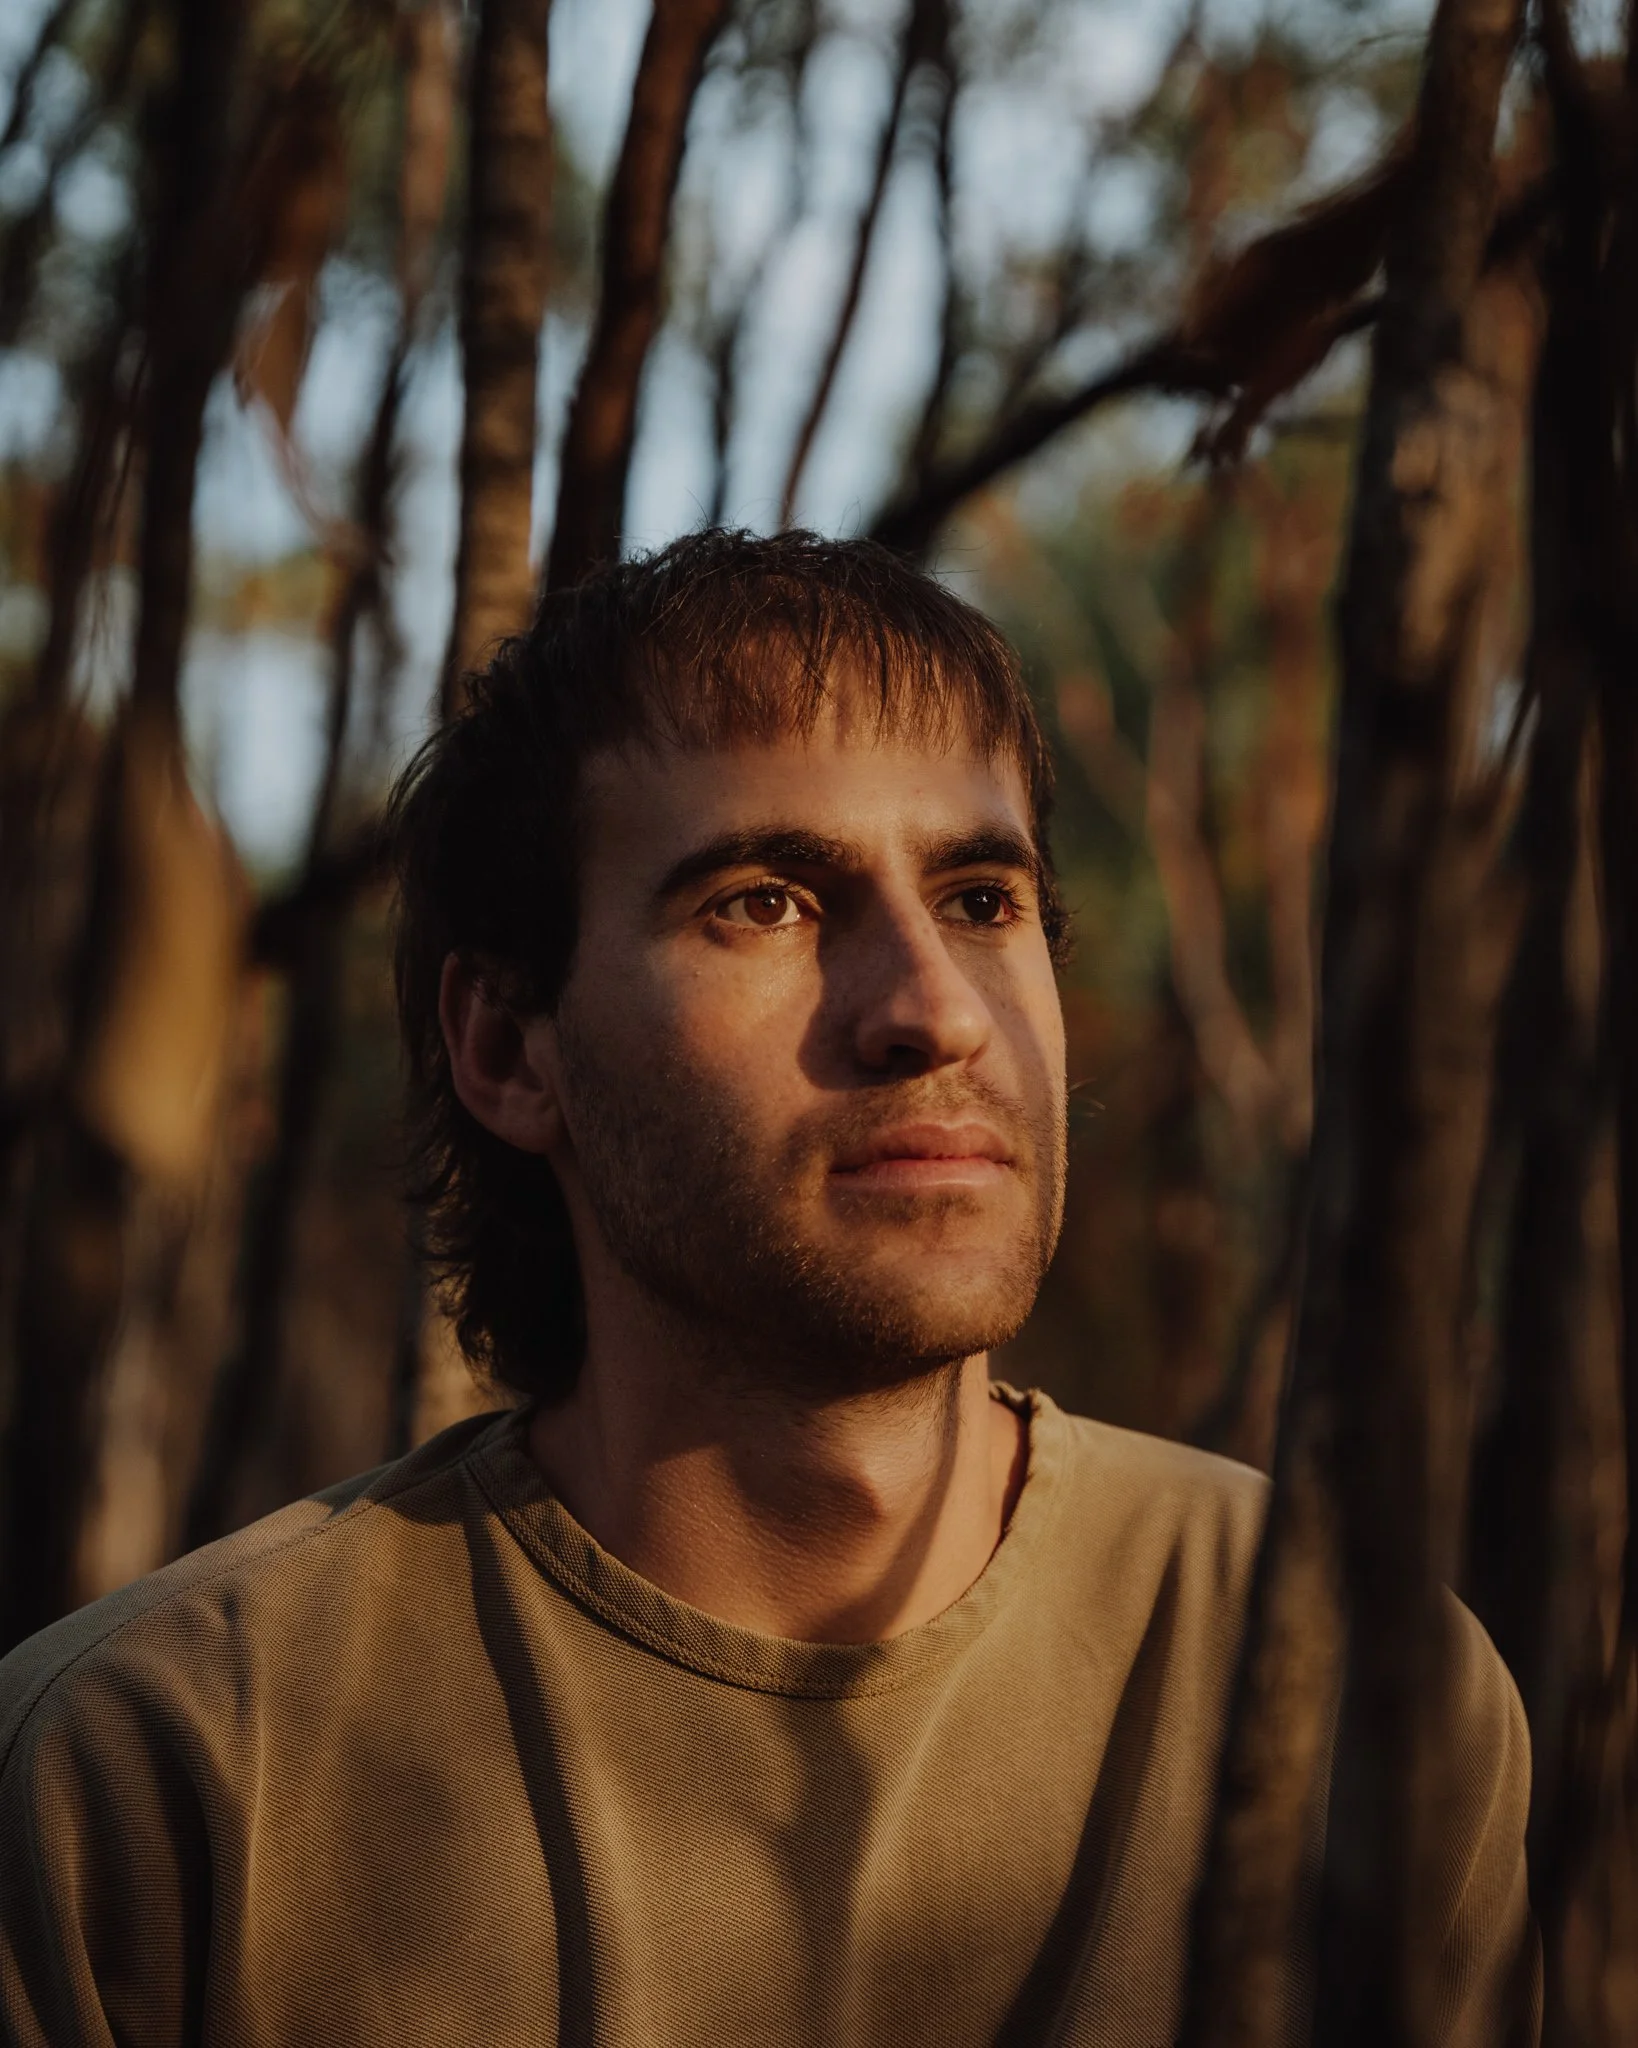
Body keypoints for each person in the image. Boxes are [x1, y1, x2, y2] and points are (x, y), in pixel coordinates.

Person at [0, 530, 1532, 2045]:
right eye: (762, 902)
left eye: (982, 899)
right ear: (506, 1049)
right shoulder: (156, 1782)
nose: (930, 1010)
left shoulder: (1349, 1681)